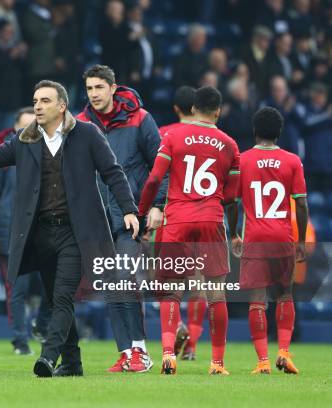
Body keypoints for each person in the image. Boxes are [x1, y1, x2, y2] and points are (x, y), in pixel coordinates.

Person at [0, 80, 139, 377]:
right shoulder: (26, 139)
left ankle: (47, 357)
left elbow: (113, 172)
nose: (37, 106)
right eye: (35, 100)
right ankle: (72, 364)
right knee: (55, 299)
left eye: (45, 100)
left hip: (75, 232)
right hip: (41, 233)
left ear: (62, 106)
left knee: (62, 297)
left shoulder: (87, 134)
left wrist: (129, 210)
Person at [138, 86, 240, 375]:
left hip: (177, 219)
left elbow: (155, 179)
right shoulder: (231, 145)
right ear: (218, 111)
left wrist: (143, 212)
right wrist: (234, 232)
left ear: (193, 108)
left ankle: (169, 354)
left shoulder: (172, 136)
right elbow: (232, 199)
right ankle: (217, 363)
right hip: (211, 221)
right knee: (215, 294)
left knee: (171, 293)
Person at [76, 64, 164, 373]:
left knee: (125, 278)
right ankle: (126, 352)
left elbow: (160, 164)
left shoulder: (141, 119)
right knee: (111, 283)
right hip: (97, 219)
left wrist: (159, 205)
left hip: (132, 216)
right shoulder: (81, 123)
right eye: (89, 89)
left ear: (113, 88)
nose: (94, 94)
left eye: (99, 87)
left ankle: (140, 350)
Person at [227, 107, 307, 375]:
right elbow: (302, 204)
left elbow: (232, 202)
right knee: (285, 295)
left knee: (257, 300)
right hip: (283, 236)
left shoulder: (244, 160)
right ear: (280, 132)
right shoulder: (293, 161)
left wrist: (234, 233)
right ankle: (284, 352)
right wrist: (300, 239)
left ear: (254, 131)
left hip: (256, 237)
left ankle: (262, 362)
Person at [0, 107, 50, 355]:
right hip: (11, 231)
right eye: (24, 126)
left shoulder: (50, 153)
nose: (30, 131)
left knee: (53, 288)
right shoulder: (4, 157)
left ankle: (41, 325)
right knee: (17, 290)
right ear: (14, 129)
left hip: (44, 232)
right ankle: (20, 341)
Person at [157, 86, 208, 361]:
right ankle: (192, 347)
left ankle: (176, 327)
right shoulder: (215, 137)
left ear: (177, 108)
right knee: (199, 284)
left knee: (166, 283)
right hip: (204, 216)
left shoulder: (163, 133)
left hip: (171, 215)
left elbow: (153, 174)